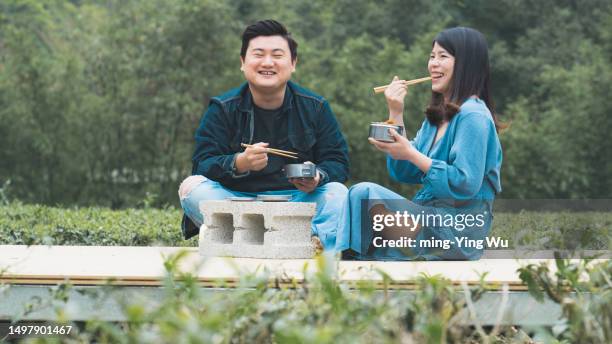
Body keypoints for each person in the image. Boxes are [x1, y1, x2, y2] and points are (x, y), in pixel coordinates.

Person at [178, 20, 349, 251]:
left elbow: (338, 162)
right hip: (238, 201)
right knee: (191, 187)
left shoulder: (315, 107)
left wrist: (317, 176)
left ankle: (250, 236)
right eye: (258, 54)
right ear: (242, 62)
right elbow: (201, 164)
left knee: (338, 193)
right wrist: (238, 163)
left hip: (297, 202)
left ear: (293, 63)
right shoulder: (223, 107)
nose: (267, 62)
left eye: (277, 55)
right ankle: (291, 238)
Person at [336, 27, 504, 260]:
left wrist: (411, 153)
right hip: (426, 216)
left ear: (467, 64)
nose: (433, 63)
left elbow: (465, 184)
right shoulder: (438, 117)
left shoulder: (473, 116)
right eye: (432, 56)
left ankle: (356, 256)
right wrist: (395, 113)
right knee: (361, 195)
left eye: (443, 56)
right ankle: (359, 256)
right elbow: (403, 171)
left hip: (457, 228)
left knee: (363, 195)